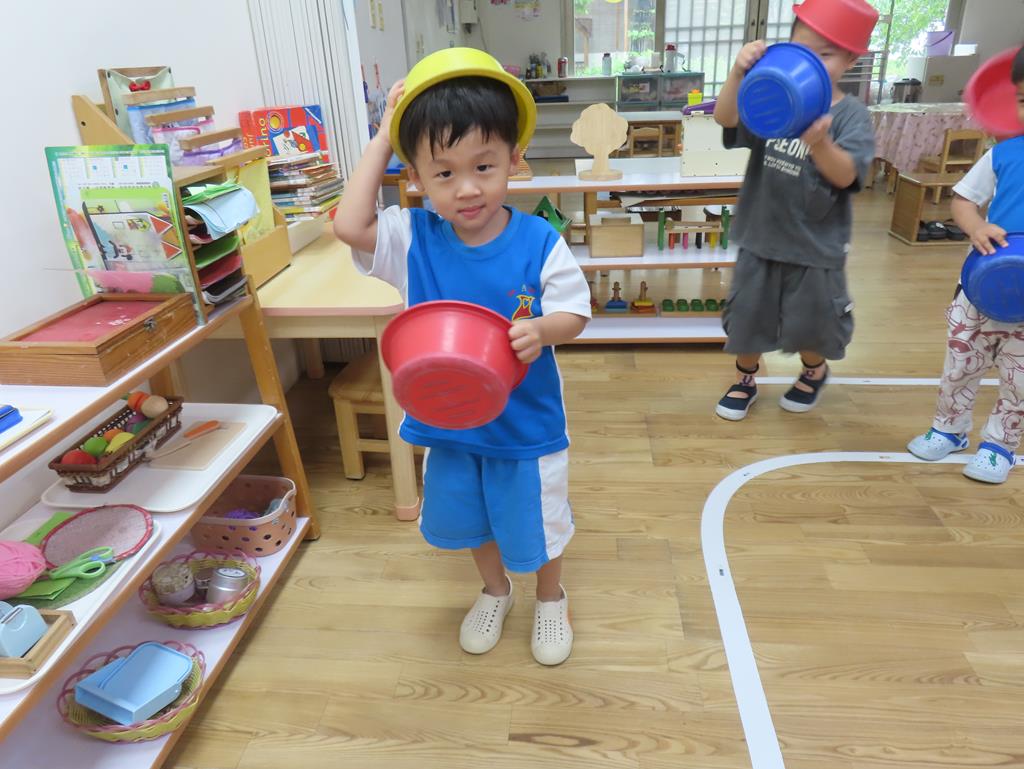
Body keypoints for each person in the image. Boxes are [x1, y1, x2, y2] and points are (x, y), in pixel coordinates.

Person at [333, 49, 591, 664]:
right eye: (443, 173)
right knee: (473, 517)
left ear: (514, 160)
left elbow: (576, 312)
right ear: (416, 178)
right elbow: (347, 225)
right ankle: (495, 590)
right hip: (449, 421)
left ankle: (550, 598)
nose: (467, 188)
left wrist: (543, 330)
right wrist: (383, 135)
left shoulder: (539, 239)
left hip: (524, 425)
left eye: (484, 166)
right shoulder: (412, 237)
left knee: (538, 522)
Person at [712, 0, 878, 420]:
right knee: (747, 317)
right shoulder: (774, 95)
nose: (814, 61)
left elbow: (846, 175)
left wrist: (819, 142)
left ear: (851, 59)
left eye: (827, 54)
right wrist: (738, 73)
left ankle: (813, 370)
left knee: (811, 324)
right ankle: (745, 378)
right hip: (760, 236)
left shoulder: (851, 115)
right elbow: (725, 118)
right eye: (804, 50)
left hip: (815, 246)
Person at [907, 46, 1024, 484]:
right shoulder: (1004, 154)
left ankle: (999, 446)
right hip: (982, 286)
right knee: (960, 364)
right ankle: (949, 428)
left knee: (1019, 380)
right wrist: (976, 227)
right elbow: (962, 200)